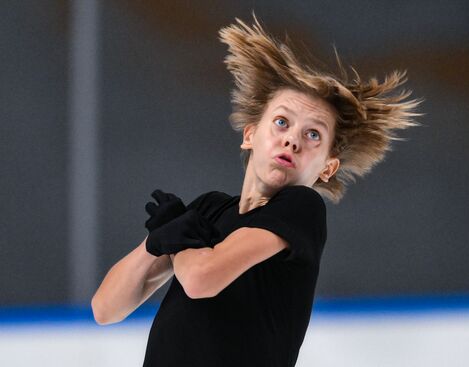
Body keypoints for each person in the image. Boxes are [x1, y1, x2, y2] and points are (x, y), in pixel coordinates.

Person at [91, 14, 421, 367]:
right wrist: (157, 243)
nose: (292, 139)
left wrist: (180, 237)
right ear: (250, 135)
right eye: (282, 122)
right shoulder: (208, 210)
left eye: (313, 135)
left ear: (328, 167)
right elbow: (106, 308)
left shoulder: (300, 209)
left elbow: (202, 279)